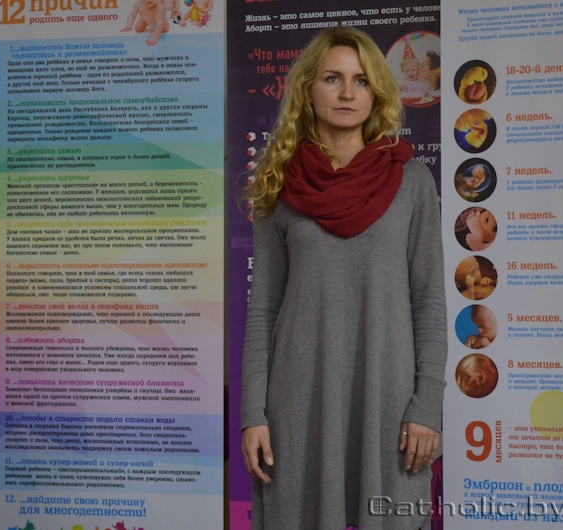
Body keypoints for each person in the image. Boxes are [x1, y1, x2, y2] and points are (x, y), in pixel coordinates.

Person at [241, 27, 447, 530]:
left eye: (361, 80)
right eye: (333, 78)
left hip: (387, 397)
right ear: (308, 89)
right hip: (299, 400)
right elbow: (264, 308)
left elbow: (429, 302)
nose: (348, 92)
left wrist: (427, 404)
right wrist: (252, 414)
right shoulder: (279, 181)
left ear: (377, 92)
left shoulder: (412, 180)